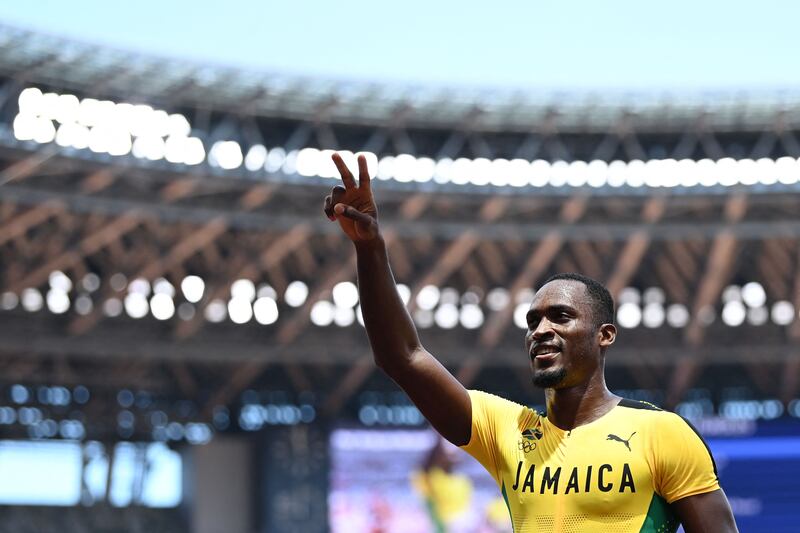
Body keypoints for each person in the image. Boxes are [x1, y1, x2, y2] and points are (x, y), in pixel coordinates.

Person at [323, 153, 739, 532]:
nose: (540, 330)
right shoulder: (505, 430)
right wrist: (369, 248)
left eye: (560, 317)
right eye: (532, 321)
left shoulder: (661, 433)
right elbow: (403, 357)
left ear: (604, 335)